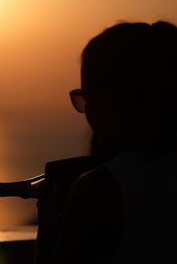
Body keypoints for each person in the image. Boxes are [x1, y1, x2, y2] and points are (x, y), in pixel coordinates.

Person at [37, 21, 177, 264]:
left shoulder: (99, 189)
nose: (86, 112)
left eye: (86, 98)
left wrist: (49, 224)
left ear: (113, 100)